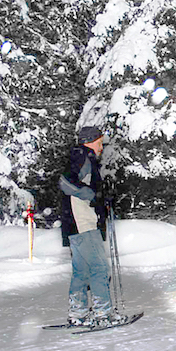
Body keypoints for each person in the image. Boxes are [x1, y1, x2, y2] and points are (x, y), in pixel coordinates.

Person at [59, 125, 120, 327]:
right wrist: (95, 196)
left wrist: (101, 195)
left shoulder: (78, 156)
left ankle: (78, 313)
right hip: (83, 222)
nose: (102, 145)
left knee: (81, 271)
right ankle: (103, 314)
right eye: (100, 141)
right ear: (92, 140)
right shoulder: (83, 157)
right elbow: (66, 183)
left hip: (74, 224)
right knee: (99, 268)